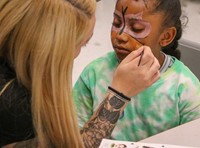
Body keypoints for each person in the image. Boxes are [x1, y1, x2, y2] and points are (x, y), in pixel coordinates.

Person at [0, 0, 160, 147]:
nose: (121, 36)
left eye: (137, 28)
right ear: (51, 48)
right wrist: (119, 95)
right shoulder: (14, 105)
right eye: (81, 44)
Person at [73, 0, 200, 144]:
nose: (121, 36)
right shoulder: (95, 73)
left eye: (137, 28)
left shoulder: (184, 87)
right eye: (116, 23)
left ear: (166, 37)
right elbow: (74, 139)